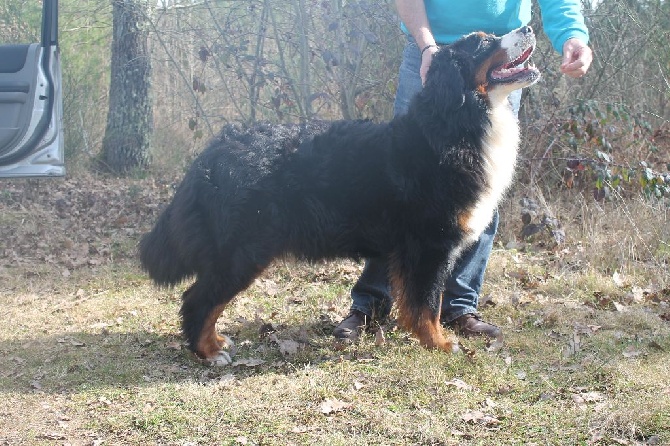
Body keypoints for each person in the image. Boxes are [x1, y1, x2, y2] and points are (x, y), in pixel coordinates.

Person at [334, 0, 593, 342]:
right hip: (431, 51)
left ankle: (458, 308)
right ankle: (371, 304)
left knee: (481, 193)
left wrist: (572, 35)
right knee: (397, 191)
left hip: (497, 54)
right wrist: (427, 45)